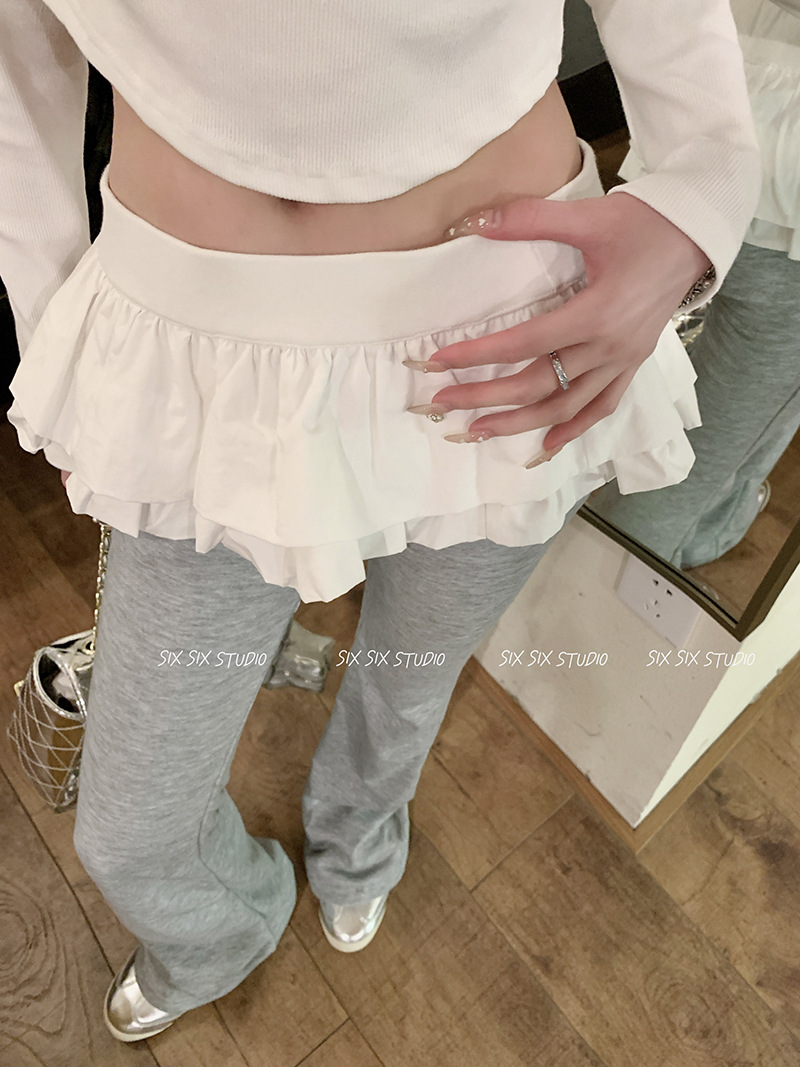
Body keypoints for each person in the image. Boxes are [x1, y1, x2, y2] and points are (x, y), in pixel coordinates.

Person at [1, 0, 760, 1044]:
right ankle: (221, 927)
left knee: (411, 671)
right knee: (131, 827)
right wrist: (50, 321)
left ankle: (359, 838)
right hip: (189, 351)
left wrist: (699, 189)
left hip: (506, 326)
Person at [588, 0, 800, 571]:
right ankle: (597, 588)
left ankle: (712, 524)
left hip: (706, 108)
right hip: (758, 149)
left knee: (646, 389)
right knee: (707, 440)